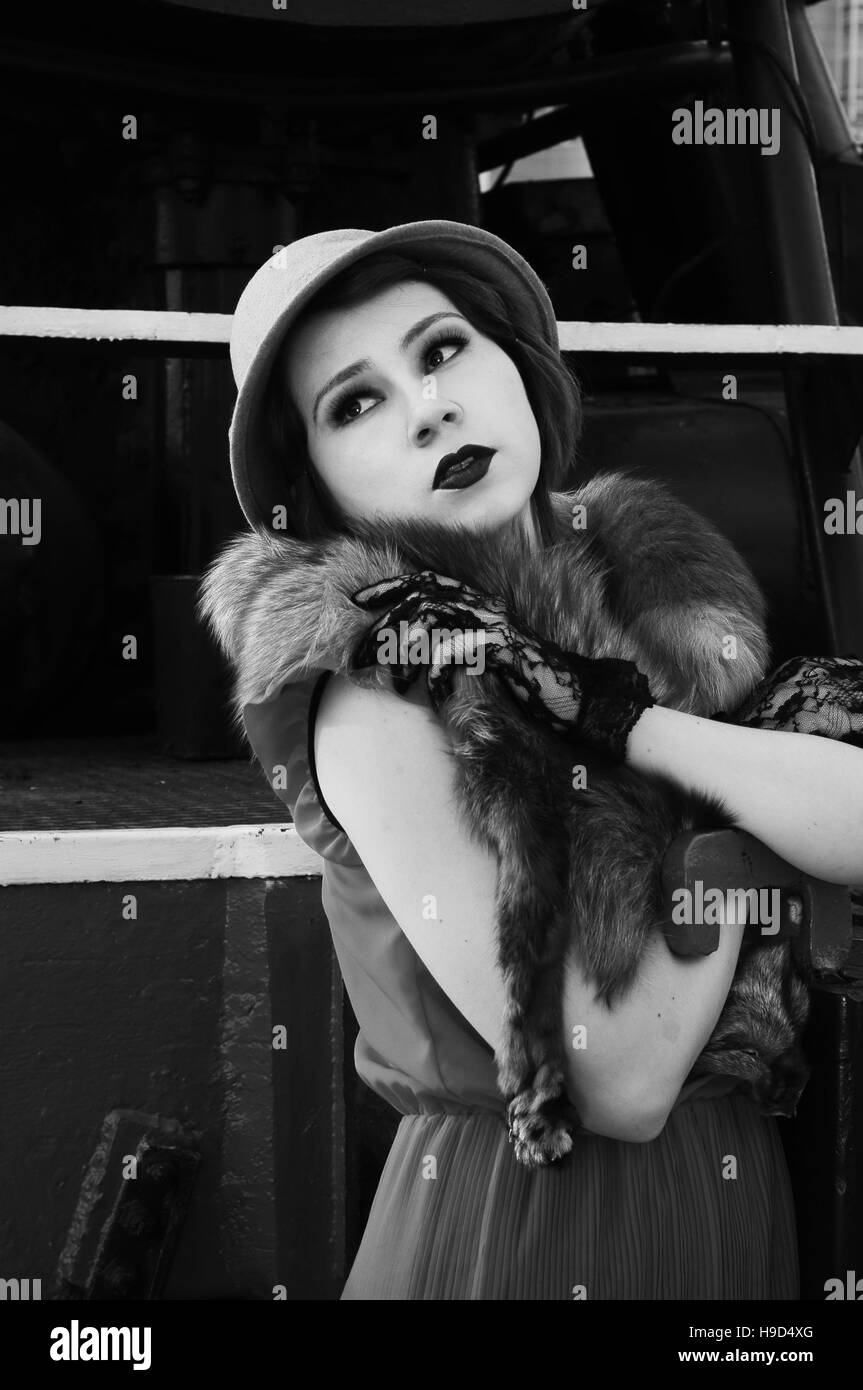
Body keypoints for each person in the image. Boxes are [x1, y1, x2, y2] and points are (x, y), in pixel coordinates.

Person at [207, 220, 863, 1300]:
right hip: (520, 1231)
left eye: (442, 348)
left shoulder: (653, 609)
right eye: (355, 402)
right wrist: (747, 831)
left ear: (515, 363)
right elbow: (616, 1075)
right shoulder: (374, 701)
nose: (429, 407)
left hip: (733, 1211)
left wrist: (612, 718)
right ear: (315, 492)